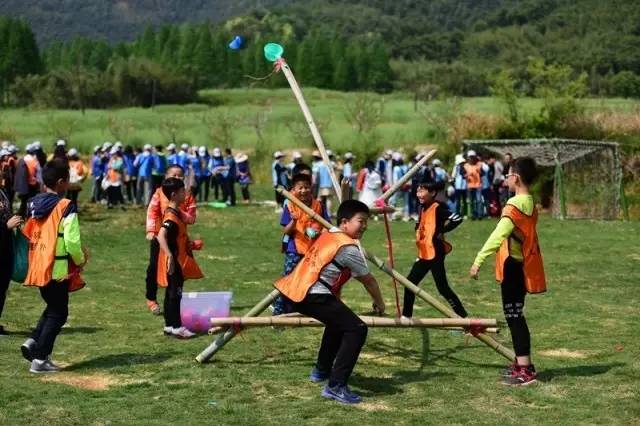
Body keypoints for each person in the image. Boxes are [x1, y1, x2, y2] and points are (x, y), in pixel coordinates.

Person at [274, 200, 385, 404]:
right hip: (311, 293)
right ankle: (336, 386)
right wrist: (380, 303)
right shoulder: (348, 247)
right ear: (344, 222)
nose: (365, 226)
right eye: (361, 221)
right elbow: (368, 280)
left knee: (338, 324)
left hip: (295, 289)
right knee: (357, 328)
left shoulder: (329, 234)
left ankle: (321, 371)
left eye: (366, 222)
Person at [470, 157, 546, 386]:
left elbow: (498, 235)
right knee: (515, 316)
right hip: (523, 265)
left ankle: (526, 369)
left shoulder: (514, 206)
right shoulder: (530, 203)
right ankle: (522, 364)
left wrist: (478, 260)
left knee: (515, 317)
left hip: (513, 267)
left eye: (508, 175)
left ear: (517, 178)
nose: (506, 179)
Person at [20, 159, 88, 373]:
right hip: (57, 270)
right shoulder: (66, 206)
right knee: (59, 313)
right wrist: (80, 260)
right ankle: (40, 360)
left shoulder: (33, 204)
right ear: (61, 182)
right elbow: (72, 242)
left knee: (53, 307)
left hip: (39, 265)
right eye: (68, 180)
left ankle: (33, 342)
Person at [402, 180, 467, 318]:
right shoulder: (423, 208)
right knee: (409, 284)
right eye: (418, 191)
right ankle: (406, 317)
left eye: (422, 191)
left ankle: (463, 317)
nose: (419, 194)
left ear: (432, 193)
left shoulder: (438, 208)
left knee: (442, 288)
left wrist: (442, 230)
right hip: (424, 252)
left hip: (435, 252)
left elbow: (457, 218)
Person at [273, 173, 330, 315]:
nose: (304, 190)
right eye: (300, 188)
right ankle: (278, 311)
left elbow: (327, 226)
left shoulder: (319, 205)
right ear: (294, 189)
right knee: (288, 280)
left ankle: (302, 309)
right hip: (294, 249)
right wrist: (293, 221)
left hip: (314, 250)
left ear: (311, 188)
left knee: (311, 281)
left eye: (306, 187)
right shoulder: (291, 206)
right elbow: (286, 230)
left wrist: (320, 232)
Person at [145, 165, 197, 315]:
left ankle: (174, 301)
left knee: (178, 272)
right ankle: (151, 299)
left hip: (178, 240)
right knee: (153, 268)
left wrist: (178, 212)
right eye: (174, 175)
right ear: (166, 177)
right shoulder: (158, 193)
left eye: (181, 175)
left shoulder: (186, 195)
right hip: (160, 237)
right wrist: (150, 230)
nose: (178, 178)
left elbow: (192, 218)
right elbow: (152, 212)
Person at [156, 177, 203, 339]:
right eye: (183, 191)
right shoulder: (171, 216)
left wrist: (190, 244)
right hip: (175, 261)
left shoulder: (176, 213)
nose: (186, 194)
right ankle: (177, 327)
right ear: (175, 194)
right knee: (176, 293)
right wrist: (170, 255)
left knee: (170, 293)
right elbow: (161, 236)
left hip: (176, 259)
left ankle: (169, 326)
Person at [0, 189, 22, 336]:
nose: (4, 169)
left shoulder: (2, 192)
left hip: (5, 248)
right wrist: (6, 226)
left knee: (2, 290)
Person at [14, 144, 42, 216]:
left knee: (23, 203)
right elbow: (39, 177)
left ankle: (20, 218)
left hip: (23, 186)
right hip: (32, 186)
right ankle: (29, 218)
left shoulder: (21, 160)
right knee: (32, 203)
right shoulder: (34, 161)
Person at [464, 150, 484, 220]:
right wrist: (466, 176)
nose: (471, 158)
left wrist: (480, 171)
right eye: (470, 157)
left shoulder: (479, 164)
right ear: (468, 158)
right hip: (470, 185)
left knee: (478, 200)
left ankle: (479, 215)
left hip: (478, 185)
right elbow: (463, 175)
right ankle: (473, 215)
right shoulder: (466, 165)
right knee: (471, 201)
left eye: (472, 157)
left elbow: (483, 174)